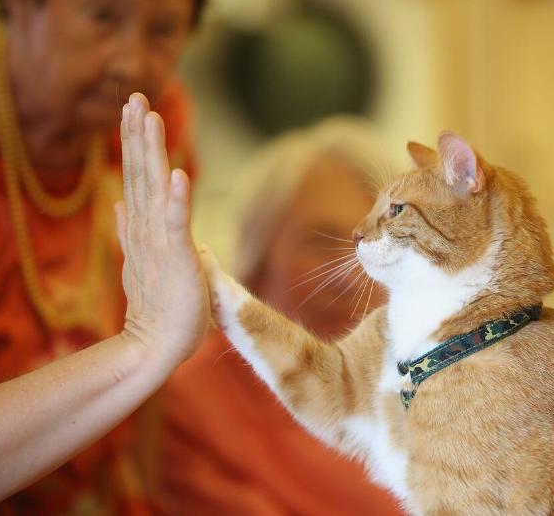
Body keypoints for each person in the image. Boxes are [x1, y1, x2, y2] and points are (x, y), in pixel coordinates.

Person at [0, 0, 206, 512]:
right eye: (103, 16)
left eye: (164, 30)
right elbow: (157, 337)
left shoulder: (152, 120)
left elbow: (160, 349)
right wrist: (147, 345)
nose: (130, 62)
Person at [158, 118, 405, 515]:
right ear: (256, 262)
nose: (348, 278)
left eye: (378, 248)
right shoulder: (195, 404)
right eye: (320, 243)